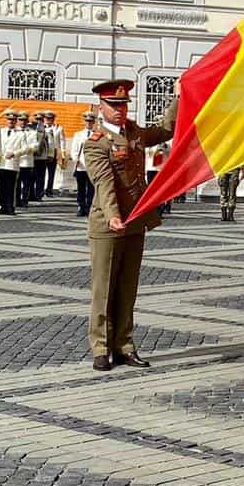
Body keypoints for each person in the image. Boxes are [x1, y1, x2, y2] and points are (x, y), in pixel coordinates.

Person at [84, 79, 178, 371]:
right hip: (107, 223)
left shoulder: (135, 132)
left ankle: (124, 345)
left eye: (123, 105)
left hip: (135, 221)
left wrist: (178, 97)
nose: (120, 110)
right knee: (104, 288)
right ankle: (101, 347)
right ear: (102, 107)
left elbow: (166, 129)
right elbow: (104, 182)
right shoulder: (96, 142)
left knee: (127, 288)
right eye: (114, 105)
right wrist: (113, 215)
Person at [70, 110, 98, 217]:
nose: (89, 123)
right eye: (87, 121)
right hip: (81, 166)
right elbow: (74, 150)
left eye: (91, 121)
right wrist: (75, 159)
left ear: (93, 122)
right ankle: (81, 206)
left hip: (92, 166)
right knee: (81, 188)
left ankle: (89, 206)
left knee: (91, 188)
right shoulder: (78, 135)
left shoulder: (97, 135)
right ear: (84, 122)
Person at [0, 110, 22, 216]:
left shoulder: (20, 133)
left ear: (16, 121)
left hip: (12, 163)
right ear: (6, 120)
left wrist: (15, 153)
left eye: (13, 120)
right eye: (9, 119)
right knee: (1, 187)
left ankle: (10, 207)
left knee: (11, 187)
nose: (11, 121)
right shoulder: (0, 132)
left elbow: (25, 148)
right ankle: (2, 206)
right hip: (1, 162)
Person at [145, 141, 172, 217]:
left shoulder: (167, 143)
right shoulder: (150, 142)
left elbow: (171, 152)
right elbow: (146, 153)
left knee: (160, 190)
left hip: (161, 169)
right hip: (151, 168)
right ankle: (153, 209)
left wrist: (165, 147)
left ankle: (160, 209)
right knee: (151, 190)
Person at [15, 112, 36, 208]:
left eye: (24, 120)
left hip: (27, 161)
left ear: (27, 121)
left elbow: (34, 146)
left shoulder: (32, 132)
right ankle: (16, 200)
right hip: (16, 161)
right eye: (20, 120)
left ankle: (25, 200)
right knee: (16, 183)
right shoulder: (14, 132)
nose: (22, 122)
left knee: (26, 183)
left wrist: (24, 150)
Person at [43, 111, 65, 197]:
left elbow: (62, 141)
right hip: (43, 152)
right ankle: (40, 189)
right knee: (41, 173)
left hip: (54, 152)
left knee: (51, 173)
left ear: (53, 119)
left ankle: (49, 190)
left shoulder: (58, 128)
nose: (48, 120)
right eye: (47, 118)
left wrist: (63, 153)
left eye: (50, 119)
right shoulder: (41, 128)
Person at [31, 112, 51, 201]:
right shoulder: (30, 128)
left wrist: (50, 155)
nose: (39, 121)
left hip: (42, 156)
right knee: (31, 177)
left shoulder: (47, 129)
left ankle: (39, 194)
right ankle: (30, 194)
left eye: (40, 119)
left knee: (40, 177)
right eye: (37, 119)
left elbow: (50, 143)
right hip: (32, 156)